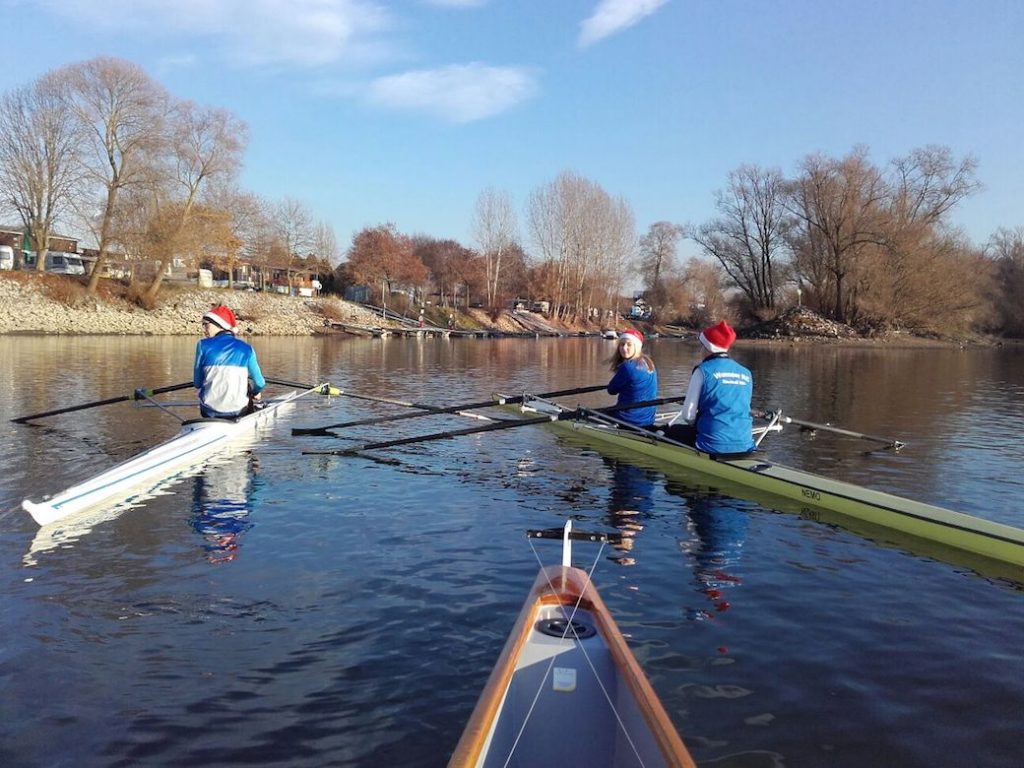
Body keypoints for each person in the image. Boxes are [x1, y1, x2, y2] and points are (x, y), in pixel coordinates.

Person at [668, 320, 755, 455]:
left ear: (708, 348)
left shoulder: (702, 371)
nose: (700, 350)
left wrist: (698, 423)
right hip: (745, 443)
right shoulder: (746, 373)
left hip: (711, 444)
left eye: (702, 346)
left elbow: (688, 415)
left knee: (670, 431)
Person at [193, 305, 266, 418]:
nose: (204, 329)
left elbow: (197, 383)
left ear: (219, 324)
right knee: (247, 388)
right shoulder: (247, 349)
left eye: (206, 324)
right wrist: (255, 392)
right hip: (239, 411)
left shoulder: (202, 345)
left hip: (209, 412)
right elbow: (260, 383)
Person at [606, 328, 658, 426]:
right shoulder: (648, 362)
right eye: (622, 344)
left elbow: (611, 390)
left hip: (628, 420)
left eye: (629, 344)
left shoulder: (627, 367)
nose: (624, 348)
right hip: (648, 420)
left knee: (587, 415)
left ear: (637, 347)